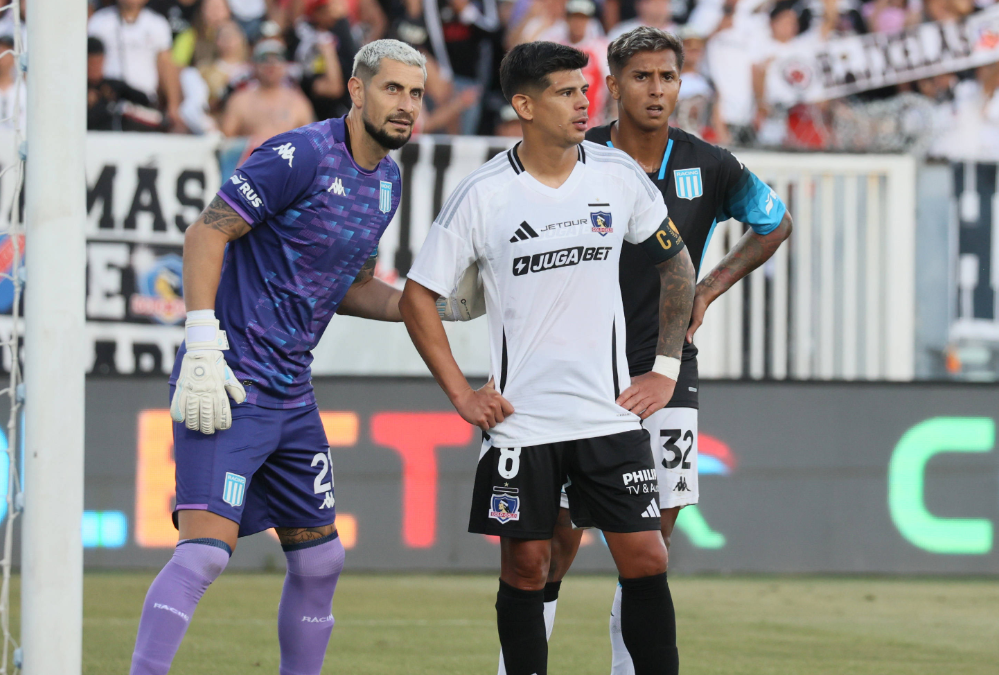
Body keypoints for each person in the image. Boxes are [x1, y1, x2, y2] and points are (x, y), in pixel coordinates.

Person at [126, 39, 430, 675]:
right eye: (392, 89)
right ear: (355, 90)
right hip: (229, 378)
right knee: (205, 553)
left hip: (292, 391)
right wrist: (202, 343)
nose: (406, 105)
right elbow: (207, 231)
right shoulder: (299, 155)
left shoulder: (388, 183)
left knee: (321, 560)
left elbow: (352, 287)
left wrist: (431, 306)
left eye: (416, 93)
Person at [400, 40, 694, 675]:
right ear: (525, 105)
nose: (584, 102)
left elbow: (677, 266)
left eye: (584, 90)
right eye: (566, 92)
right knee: (528, 565)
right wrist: (462, 394)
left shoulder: (617, 175)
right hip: (523, 422)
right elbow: (417, 297)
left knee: (647, 557)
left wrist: (665, 369)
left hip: (607, 415)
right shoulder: (482, 194)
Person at [579, 27, 792, 674]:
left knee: (654, 536)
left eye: (667, 77)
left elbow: (775, 222)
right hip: (580, 365)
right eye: (641, 77)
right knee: (556, 537)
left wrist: (709, 287)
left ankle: (626, 666)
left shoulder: (711, 164)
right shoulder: (578, 157)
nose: (656, 89)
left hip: (668, 366)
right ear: (613, 85)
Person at [88, 0, 184, 131]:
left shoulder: (157, 24)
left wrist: (173, 106)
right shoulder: (99, 22)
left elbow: (166, 65)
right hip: (108, 102)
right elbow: (91, 61)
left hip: (144, 103)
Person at [220, 39, 314, 138]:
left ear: (285, 65)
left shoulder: (298, 102)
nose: (271, 65)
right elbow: (226, 139)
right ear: (254, 65)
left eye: (277, 59)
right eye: (264, 60)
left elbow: (311, 140)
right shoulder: (240, 101)